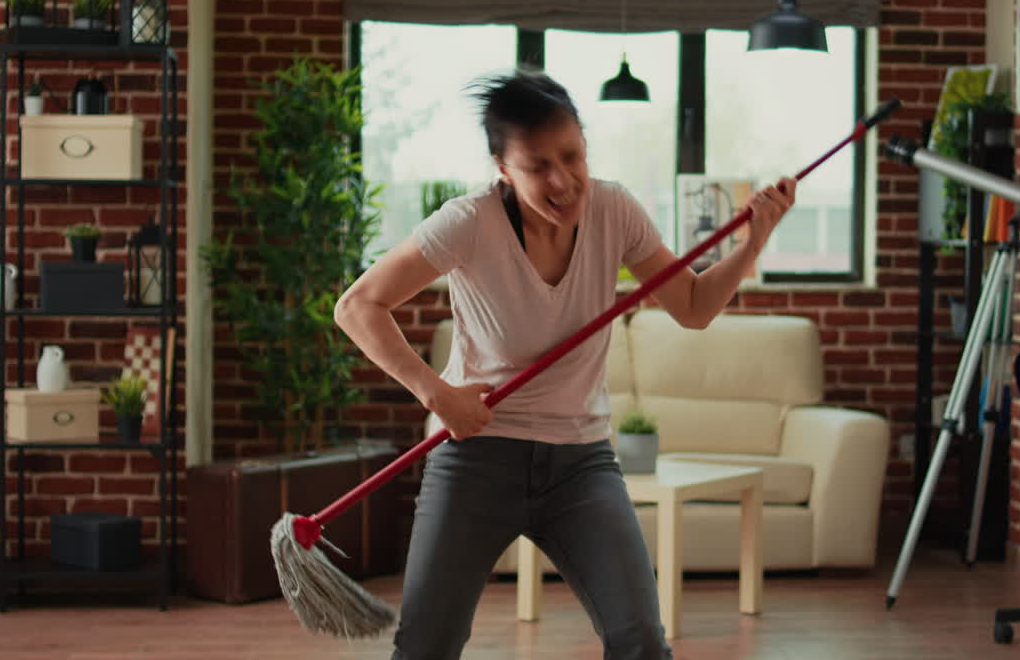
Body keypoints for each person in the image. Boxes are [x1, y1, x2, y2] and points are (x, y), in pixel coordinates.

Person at [333, 69, 795, 660]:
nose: (563, 180)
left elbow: (695, 307)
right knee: (426, 645)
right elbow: (357, 306)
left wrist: (753, 243)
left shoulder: (615, 210)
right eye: (537, 166)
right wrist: (436, 394)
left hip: (580, 465)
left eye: (572, 155)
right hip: (477, 458)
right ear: (502, 169)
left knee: (641, 643)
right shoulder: (469, 221)